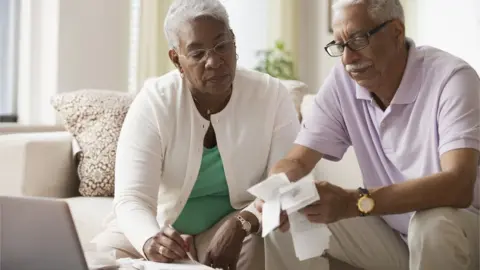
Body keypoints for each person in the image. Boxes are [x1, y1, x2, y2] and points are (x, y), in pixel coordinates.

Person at [256, 0, 480, 270]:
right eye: (340, 45)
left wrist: (353, 202)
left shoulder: (452, 78)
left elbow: (458, 186)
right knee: (289, 220)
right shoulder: (343, 82)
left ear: (397, 32)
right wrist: (277, 190)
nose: (347, 59)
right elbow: (298, 161)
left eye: (358, 40)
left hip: (461, 230)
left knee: (431, 225)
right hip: (393, 234)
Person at [91, 0, 300, 269]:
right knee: (98, 260)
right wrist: (149, 240)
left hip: (233, 226)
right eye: (197, 53)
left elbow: (285, 184)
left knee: (260, 249)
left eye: (221, 45)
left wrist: (242, 223)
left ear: (234, 43)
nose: (213, 61)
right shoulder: (155, 102)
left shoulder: (271, 95)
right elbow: (133, 198)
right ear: (176, 59)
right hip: (159, 227)